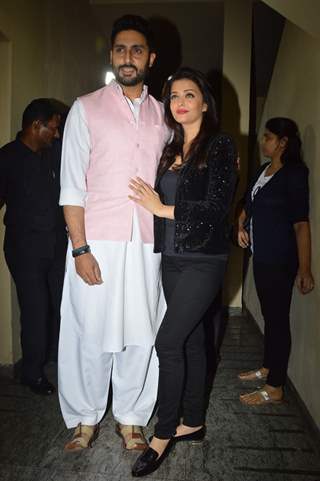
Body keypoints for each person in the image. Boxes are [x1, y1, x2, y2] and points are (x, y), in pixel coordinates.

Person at [58, 14, 170, 452]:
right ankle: (84, 418)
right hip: (96, 240)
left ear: (151, 58)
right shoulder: (85, 108)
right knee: (89, 329)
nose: (128, 57)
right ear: (111, 55)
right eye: (121, 49)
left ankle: (132, 418)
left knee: (142, 332)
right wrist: (79, 247)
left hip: (146, 241)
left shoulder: (165, 115)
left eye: (137, 50)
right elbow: (71, 185)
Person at [129, 67, 238, 477]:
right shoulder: (170, 147)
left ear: (205, 103)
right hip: (171, 259)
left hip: (203, 260)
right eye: (174, 96)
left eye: (189, 95)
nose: (180, 102)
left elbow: (215, 211)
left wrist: (160, 208)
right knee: (190, 341)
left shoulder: (220, 146)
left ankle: (163, 433)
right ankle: (193, 421)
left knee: (168, 342)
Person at [237, 117, 314, 405]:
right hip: (262, 255)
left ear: (283, 142)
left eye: (268, 137)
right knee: (270, 316)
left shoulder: (295, 174)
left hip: (281, 259)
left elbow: (301, 224)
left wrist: (304, 268)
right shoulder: (263, 170)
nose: (262, 141)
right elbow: (249, 203)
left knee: (278, 320)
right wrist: (241, 224)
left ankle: (275, 386)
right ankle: (268, 366)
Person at [0, 98, 67, 395]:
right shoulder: (7, 158)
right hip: (24, 247)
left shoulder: (51, 155)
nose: (56, 134)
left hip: (55, 244)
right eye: (52, 128)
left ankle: (53, 354)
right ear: (35, 125)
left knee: (60, 303)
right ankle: (31, 372)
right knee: (35, 308)